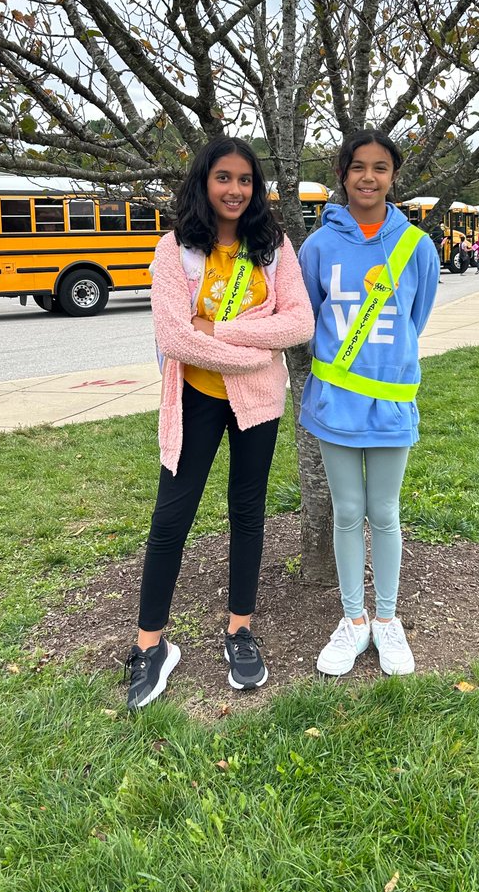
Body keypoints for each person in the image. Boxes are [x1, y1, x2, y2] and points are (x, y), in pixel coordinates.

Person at [125, 137, 314, 711]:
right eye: (223, 178)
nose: (235, 190)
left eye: (246, 180)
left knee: (247, 511)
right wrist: (253, 346)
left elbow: (299, 324)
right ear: (204, 182)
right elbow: (174, 336)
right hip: (195, 399)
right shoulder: (174, 251)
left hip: (257, 401)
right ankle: (150, 644)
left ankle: (240, 629)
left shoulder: (272, 247)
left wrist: (219, 332)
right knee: (170, 517)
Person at [298, 131, 439, 678]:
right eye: (358, 167)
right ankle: (353, 620)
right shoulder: (317, 247)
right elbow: (308, 319)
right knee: (347, 512)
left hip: (391, 407)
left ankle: (386, 618)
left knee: (384, 514)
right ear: (342, 175)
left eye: (380, 168)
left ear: (393, 177)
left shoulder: (417, 247)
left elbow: (416, 317)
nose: (368, 177)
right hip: (335, 405)